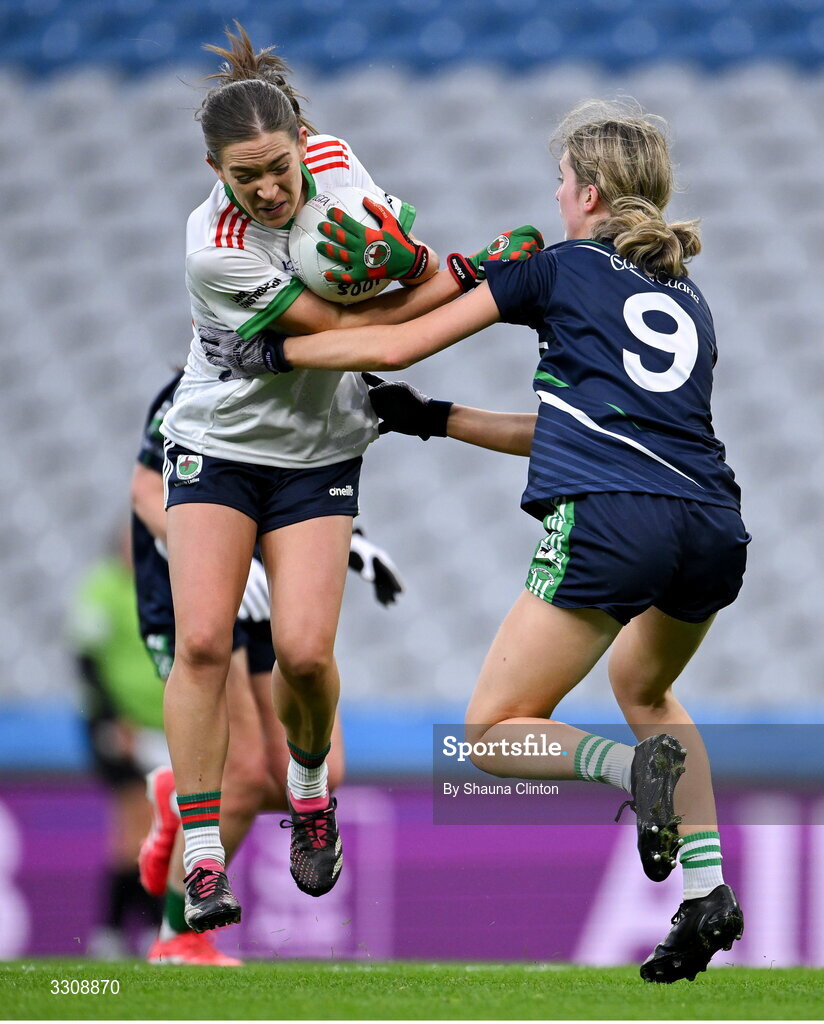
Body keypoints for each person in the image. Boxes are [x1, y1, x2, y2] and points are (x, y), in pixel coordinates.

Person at [201, 99, 750, 983]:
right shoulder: (691, 297)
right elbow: (588, 427)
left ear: (590, 191)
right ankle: (708, 891)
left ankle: (627, 770)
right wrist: (439, 423)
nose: (558, 196)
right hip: (714, 524)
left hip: (614, 521)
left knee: (492, 732)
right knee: (644, 684)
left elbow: (405, 340)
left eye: (563, 182)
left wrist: (275, 355)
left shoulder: (559, 265)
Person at [159, 21, 541, 933]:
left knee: (306, 655)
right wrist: (467, 276)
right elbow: (349, 329)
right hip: (217, 444)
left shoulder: (336, 165)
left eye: (279, 166)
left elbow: (380, 287)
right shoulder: (212, 246)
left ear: (300, 139)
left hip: (319, 449)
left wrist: (420, 269)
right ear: (217, 171)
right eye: (246, 176)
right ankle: (203, 860)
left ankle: (308, 785)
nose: (270, 188)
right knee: (204, 644)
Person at [132, 371, 402, 964]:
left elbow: (291, 481)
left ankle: (175, 793)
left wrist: (351, 542)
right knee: (246, 774)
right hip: (199, 592)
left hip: (260, 597)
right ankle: (178, 938)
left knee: (321, 769)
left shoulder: (317, 387)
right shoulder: (202, 386)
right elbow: (149, 492)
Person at [67, 530, 164, 958]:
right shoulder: (103, 586)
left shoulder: (161, 583)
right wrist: (111, 718)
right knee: (135, 822)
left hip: (159, 728)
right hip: (116, 725)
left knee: (152, 825)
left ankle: (127, 929)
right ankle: (121, 929)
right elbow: (85, 660)